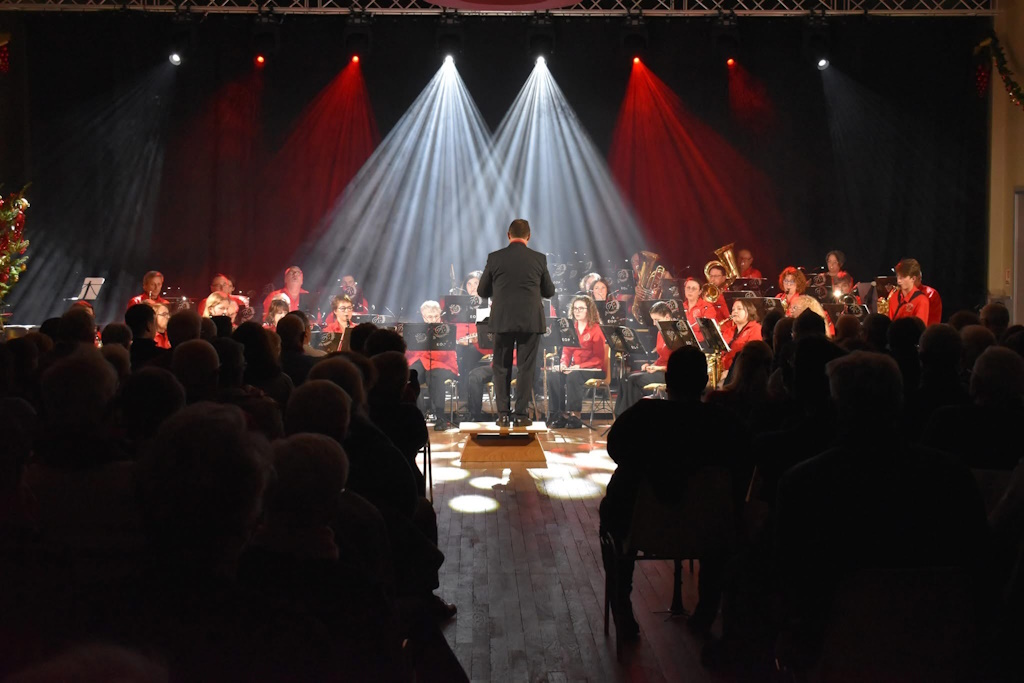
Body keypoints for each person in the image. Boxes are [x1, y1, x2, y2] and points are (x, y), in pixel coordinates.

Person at [476, 219, 556, 427]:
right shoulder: (539, 259)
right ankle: (521, 415)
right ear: (529, 236)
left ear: (508, 234)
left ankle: (503, 415)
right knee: (526, 368)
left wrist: (501, 288)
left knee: (501, 368)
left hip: (502, 320)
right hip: (530, 321)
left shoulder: (495, 258)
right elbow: (549, 292)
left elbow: (482, 291)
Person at [547, 296, 606, 429]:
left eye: (581, 308)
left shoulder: (596, 329)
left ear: (589, 310)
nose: (577, 311)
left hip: (594, 368)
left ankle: (575, 415)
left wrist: (579, 366)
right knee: (554, 375)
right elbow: (567, 351)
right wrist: (563, 364)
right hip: (576, 368)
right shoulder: (571, 328)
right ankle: (560, 414)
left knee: (574, 376)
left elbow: (598, 359)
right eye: (575, 308)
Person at [406, 300, 459, 431]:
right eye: (429, 317)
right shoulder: (418, 330)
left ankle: (440, 415)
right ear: (423, 317)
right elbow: (410, 353)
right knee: (412, 374)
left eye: (436, 316)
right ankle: (419, 414)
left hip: (443, 364)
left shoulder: (446, 330)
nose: (433, 319)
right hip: (421, 361)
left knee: (434, 375)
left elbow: (445, 355)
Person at [614, 301, 674, 416]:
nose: (654, 323)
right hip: (659, 369)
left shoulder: (675, 335)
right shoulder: (660, 333)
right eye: (653, 320)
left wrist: (658, 368)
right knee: (626, 377)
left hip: (668, 373)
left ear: (667, 317)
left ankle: (628, 416)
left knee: (633, 380)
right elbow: (662, 357)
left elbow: (676, 364)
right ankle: (621, 414)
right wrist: (651, 365)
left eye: (657, 320)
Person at [720, 299, 762, 374]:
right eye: (733, 309)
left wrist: (729, 373)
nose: (735, 312)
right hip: (724, 370)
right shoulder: (729, 331)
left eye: (739, 309)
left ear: (749, 311)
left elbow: (751, 357)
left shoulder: (756, 329)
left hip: (741, 373)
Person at [886, 258, 930, 325]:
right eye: (898, 277)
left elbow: (919, 329)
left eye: (902, 277)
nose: (898, 281)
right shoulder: (894, 297)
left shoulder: (922, 300)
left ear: (913, 278)